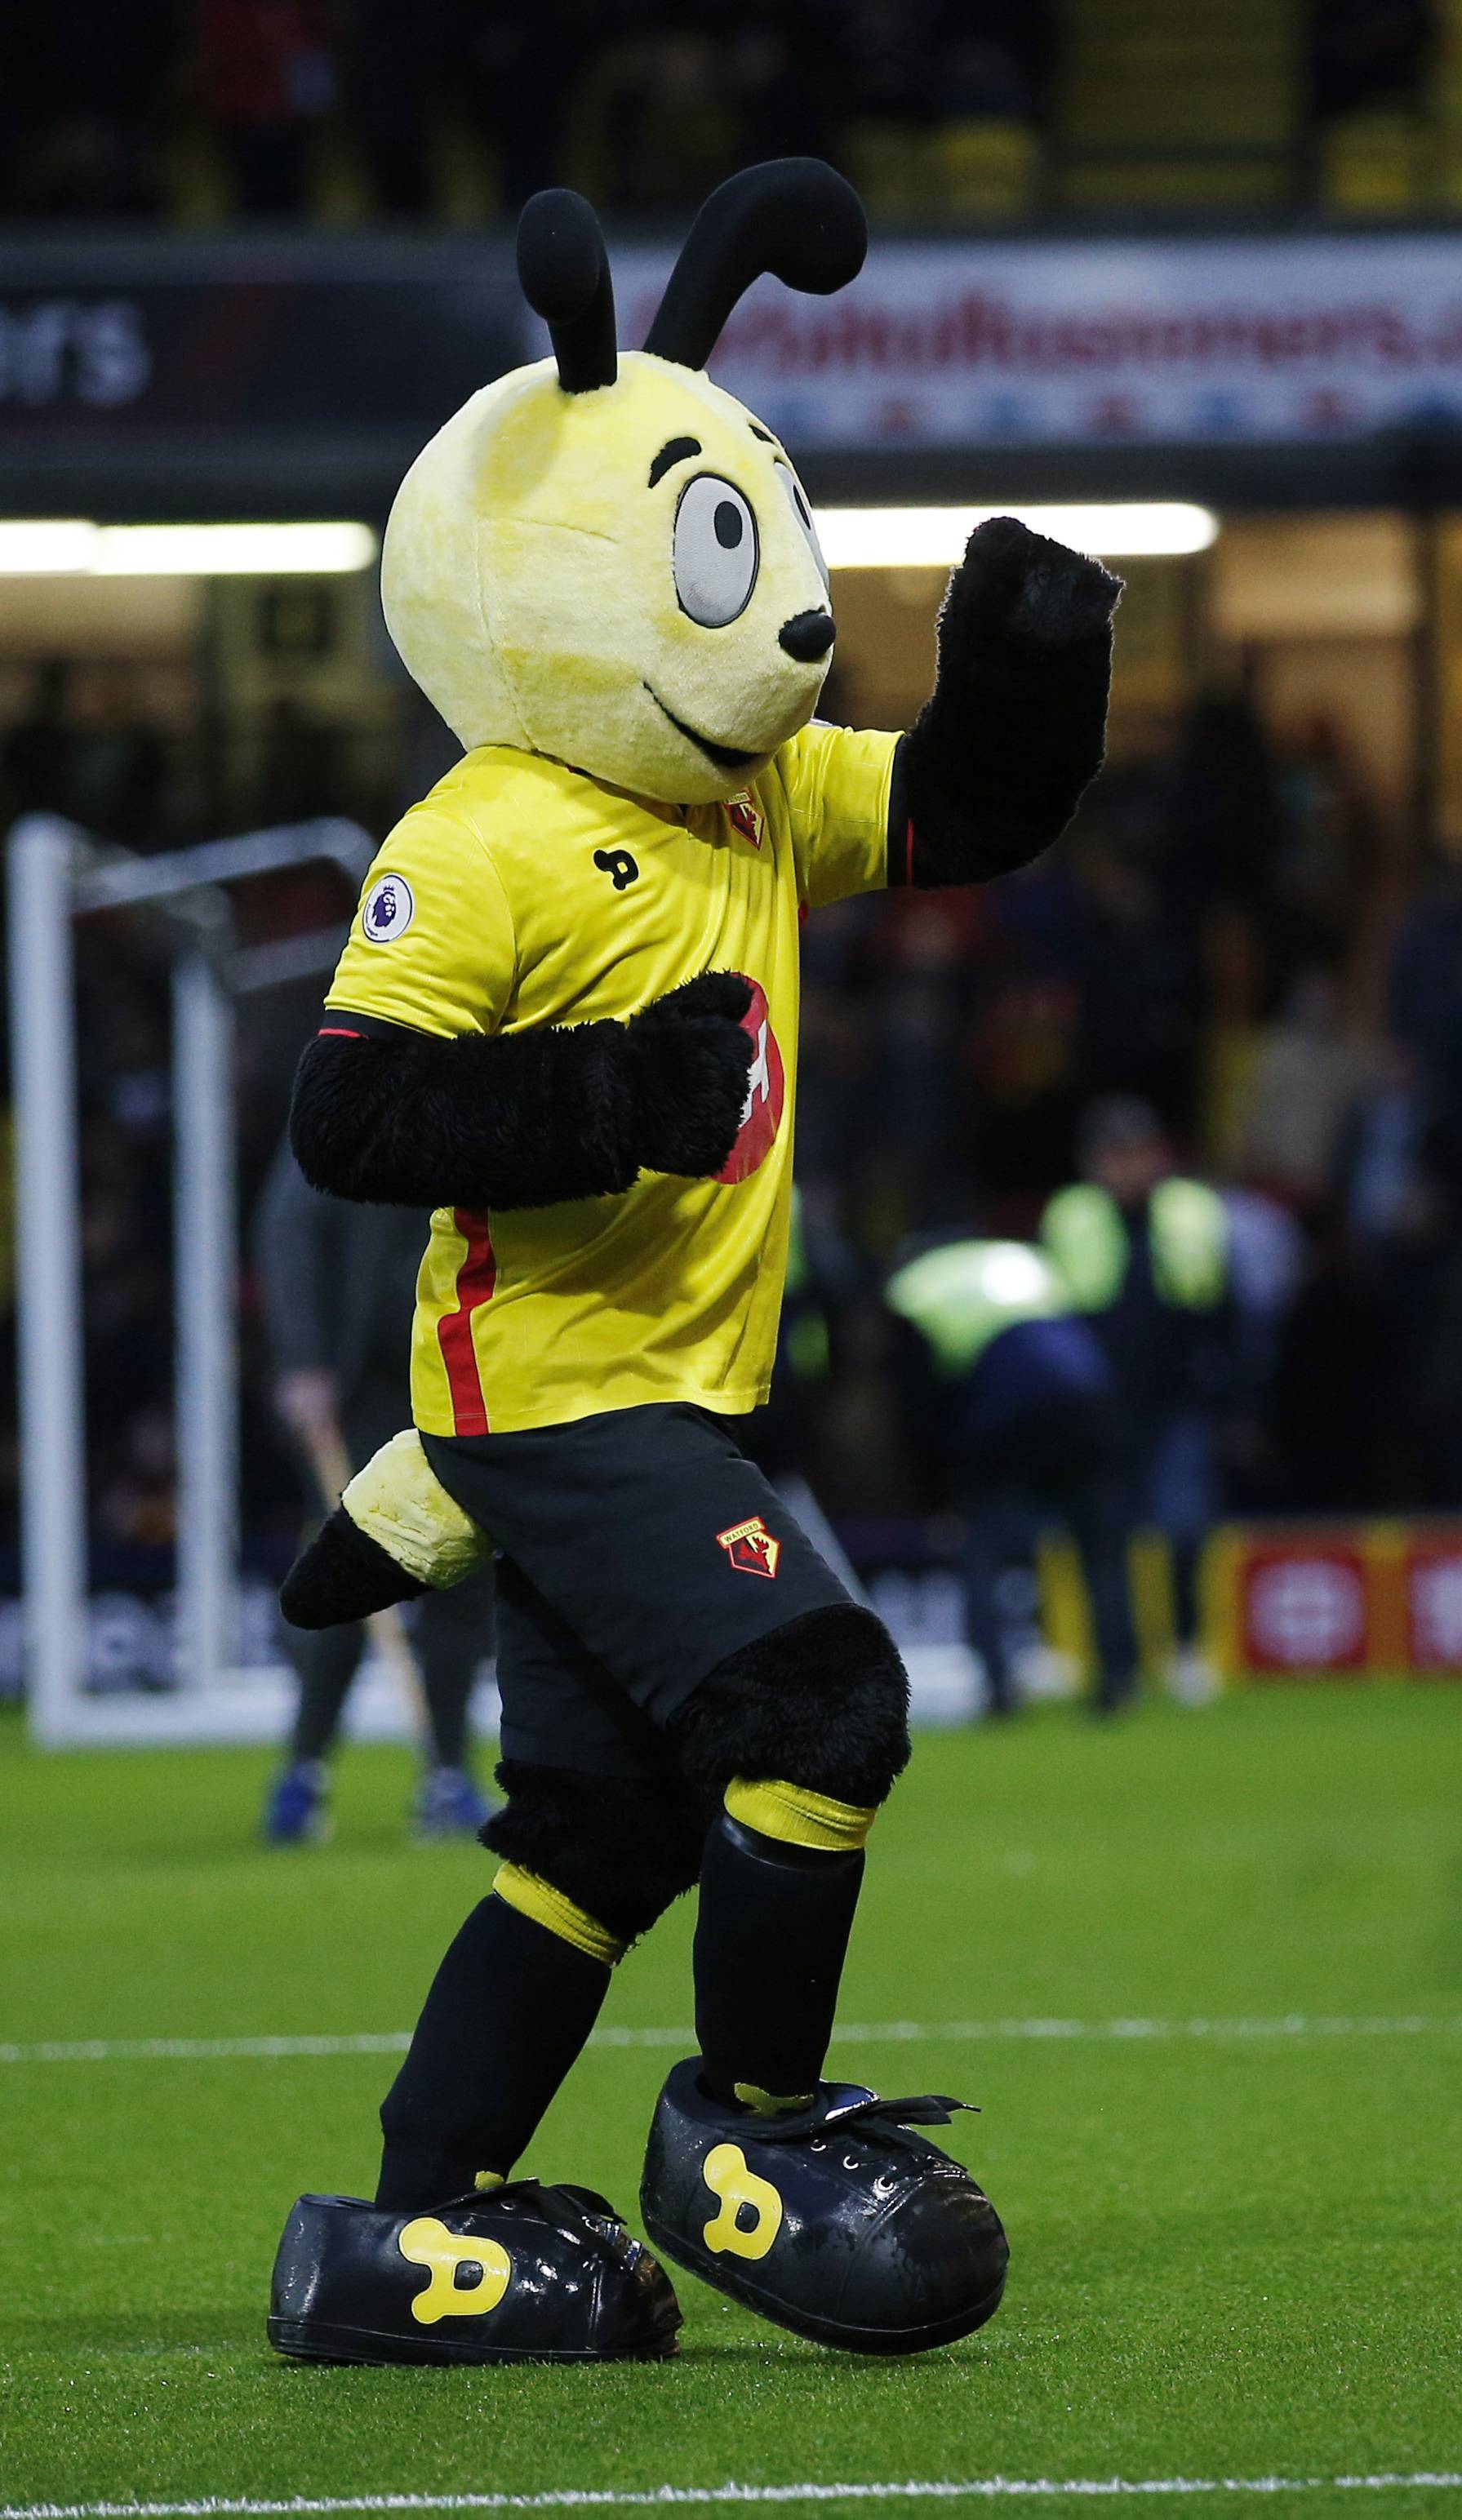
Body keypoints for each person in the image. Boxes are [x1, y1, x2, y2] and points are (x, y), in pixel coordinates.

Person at [265, 160, 1118, 2367]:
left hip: (667, 1386)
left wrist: (1028, 662)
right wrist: (611, 1093)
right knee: (820, 1698)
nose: (789, 611)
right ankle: (746, 2124)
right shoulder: (482, 834)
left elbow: (953, 816)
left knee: (599, 1825)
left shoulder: (745, 798)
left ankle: (408, 2226)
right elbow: (348, 1117)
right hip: (556, 1390)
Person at [256, 1139, 493, 1843]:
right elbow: (289, 1228)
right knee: (350, 1570)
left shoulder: (489, 1093)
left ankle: (448, 1774)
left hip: (466, 1378)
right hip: (366, 1387)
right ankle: (302, 1775)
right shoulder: (359, 1086)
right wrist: (302, 1359)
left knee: (464, 1577)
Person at [886, 1236, 1135, 1716]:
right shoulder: (1023, 1260)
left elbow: (920, 1406)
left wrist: (941, 1490)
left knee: (982, 1549)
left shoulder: (916, 1290)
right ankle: (1118, 1682)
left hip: (1008, 1421)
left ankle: (999, 1690)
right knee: (1100, 1551)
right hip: (1090, 1405)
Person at [1042, 1098, 1238, 1702]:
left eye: (1136, 1152)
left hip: (1177, 1401)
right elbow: (1056, 1315)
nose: (1125, 1167)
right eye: (1113, 1155)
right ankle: (1111, 1663)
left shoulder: (1194, 1211)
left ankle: (1185, 1646)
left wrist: (1226, 1392)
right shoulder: (1071, 1216)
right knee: (1104, 1538)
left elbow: (1224, 1310)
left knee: (1184, 1526)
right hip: (1101, 1407)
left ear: (1160, 1156)